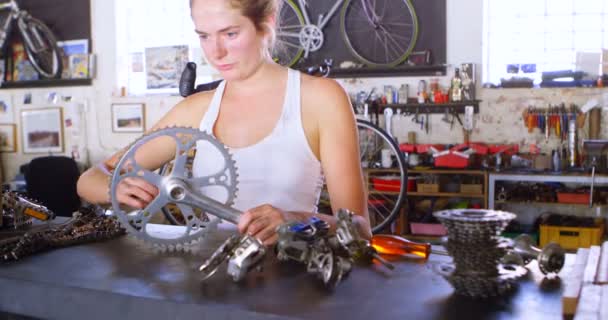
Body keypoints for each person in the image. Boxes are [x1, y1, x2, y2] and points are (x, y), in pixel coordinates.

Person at [77, 0, 371, 245]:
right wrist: (114, 189)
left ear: (267, 23)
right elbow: (90, 178)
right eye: (204, 35)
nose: (215, 52)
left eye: (230, 34)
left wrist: (295, 219)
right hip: (213, 280)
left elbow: (359, 229)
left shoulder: (321, 99)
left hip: (293, 281)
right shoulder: (197, 110)